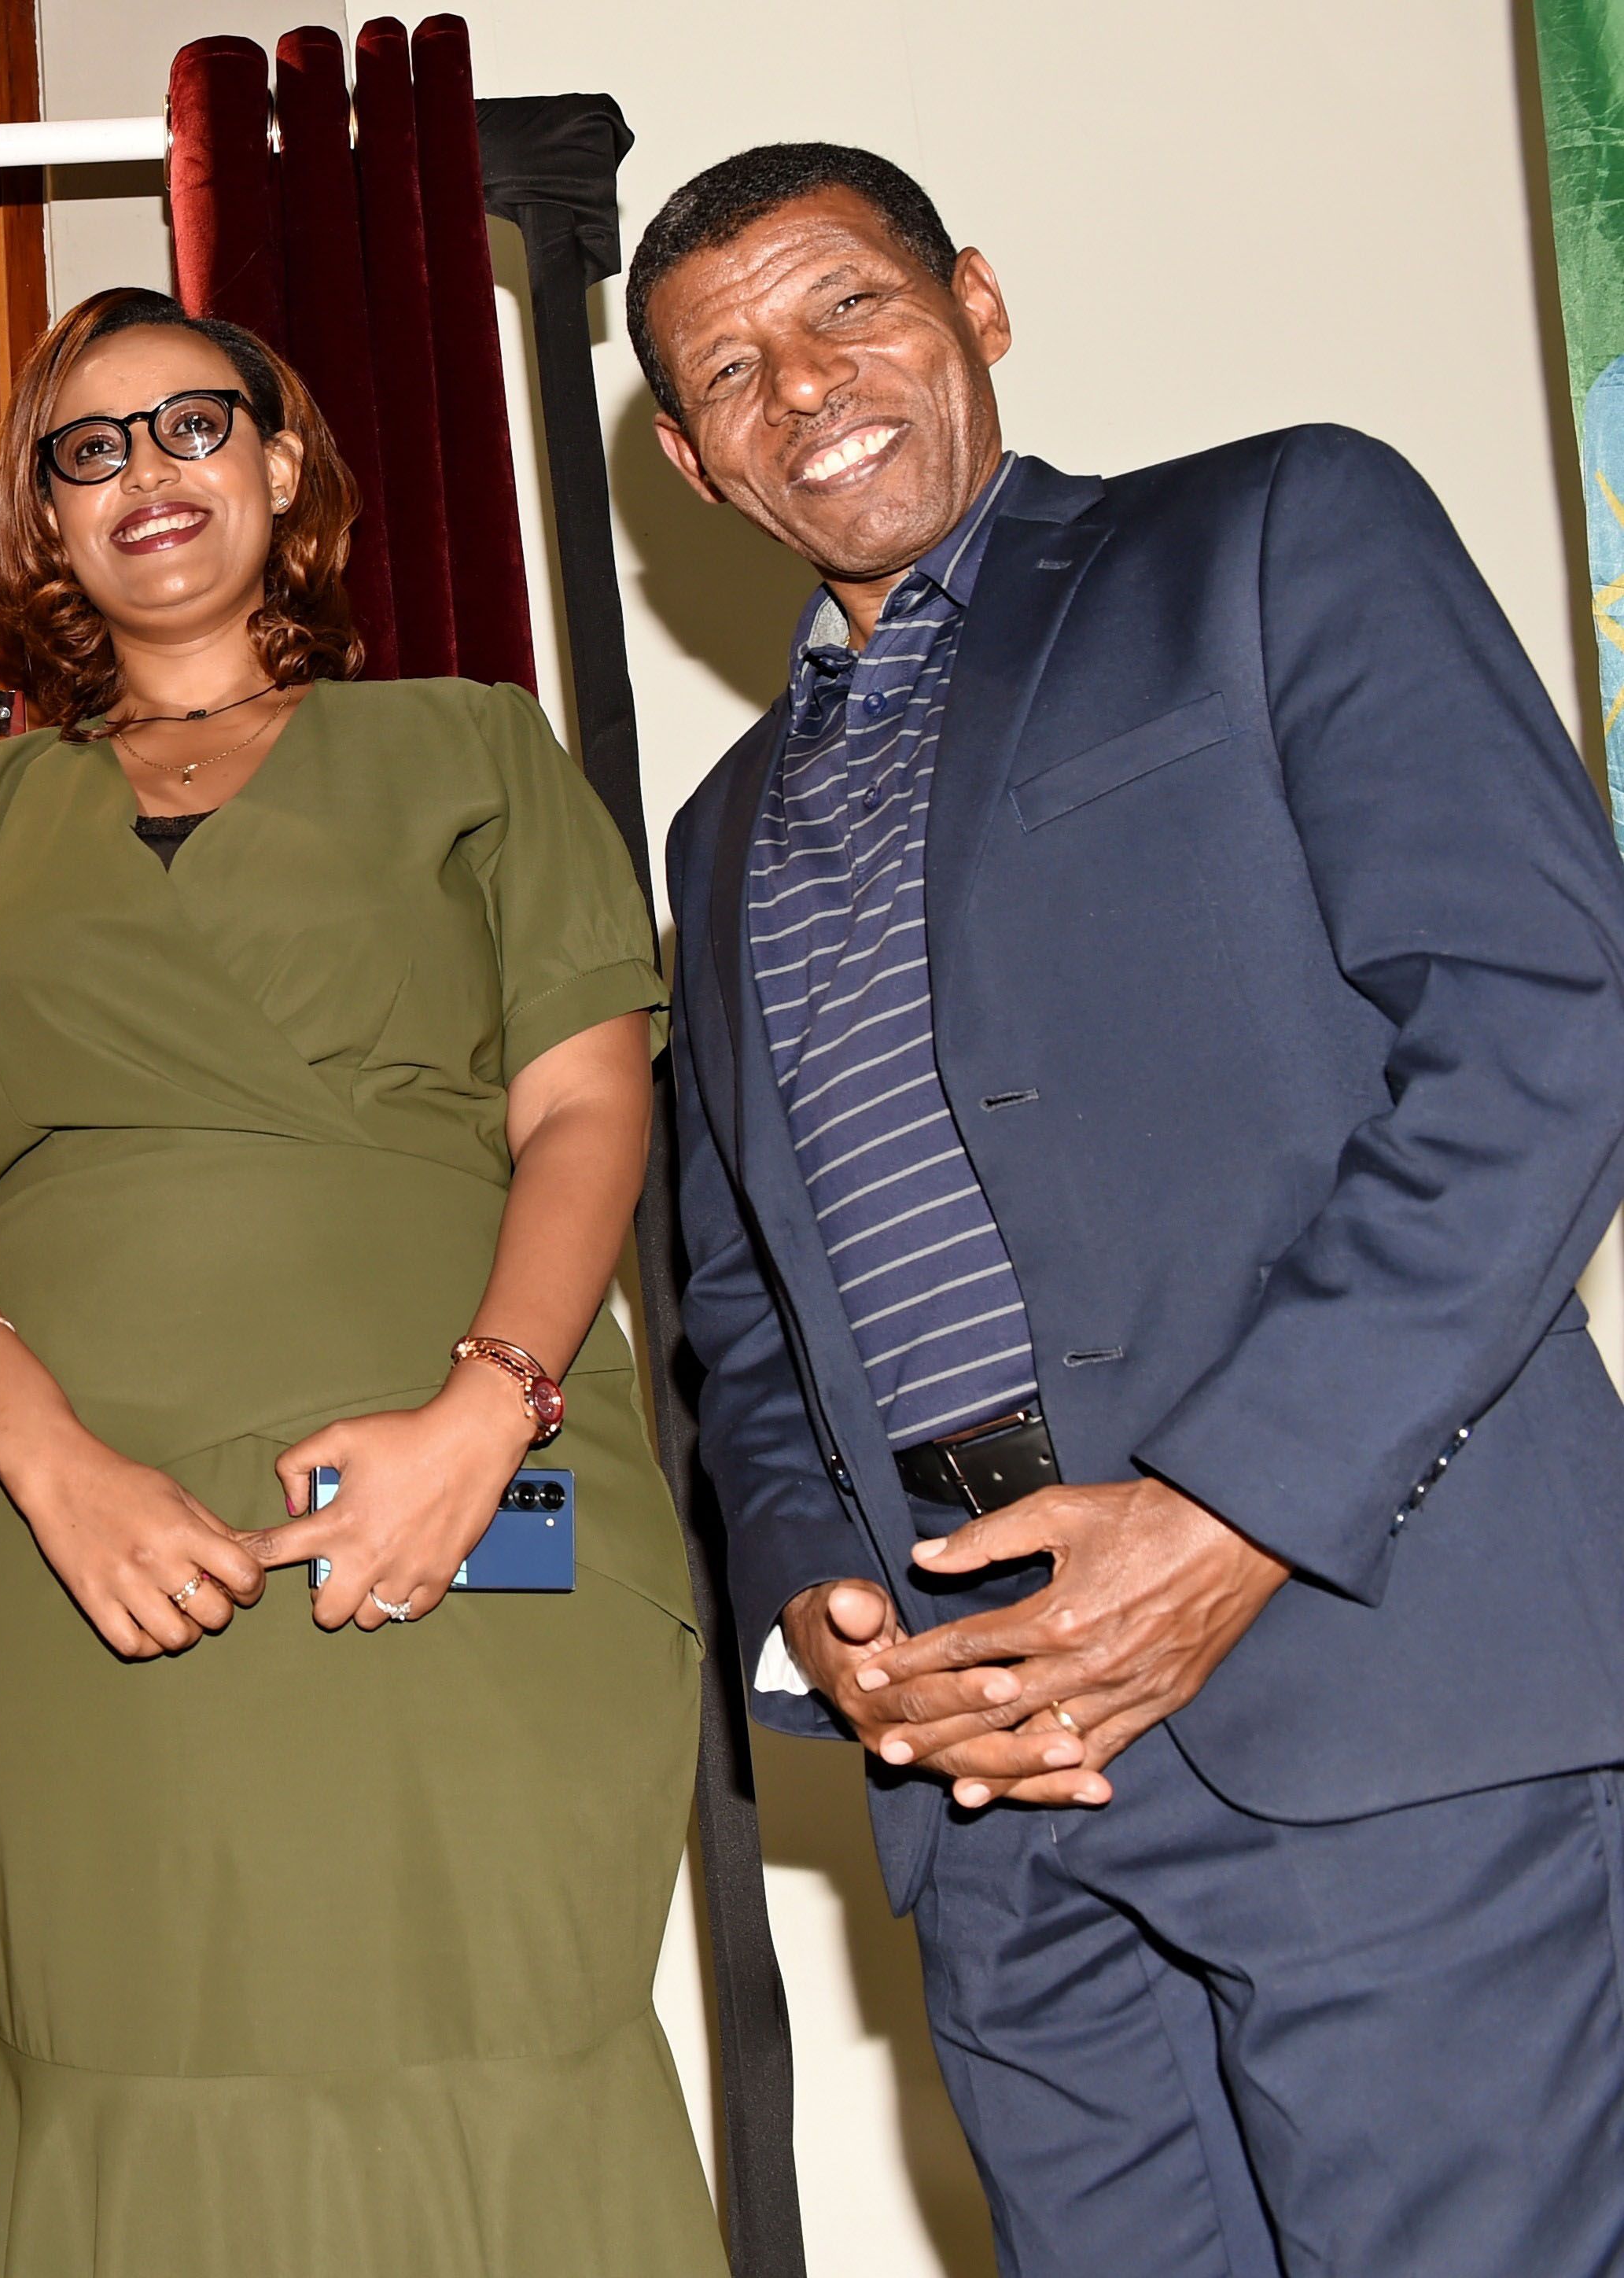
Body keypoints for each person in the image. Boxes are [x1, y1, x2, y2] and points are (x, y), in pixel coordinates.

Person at [638, 142, 1624, 2276]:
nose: (802, 386)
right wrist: (829, 1608)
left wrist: (1228, 1514)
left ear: (976, 302)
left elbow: (1543, 1022)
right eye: (727, 372)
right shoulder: (715, 836)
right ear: (691, 463)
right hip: (992, 1785)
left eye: (848, 306)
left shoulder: (1271, 533)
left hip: (1372, 1686)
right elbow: (742, 1296)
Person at [0, 285, 723, 2277]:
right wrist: (52, 1467)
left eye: (191, 423)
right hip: (59, 1532)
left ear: (282, 463)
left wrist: (483, 1414)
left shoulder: (474, 745)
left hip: (469, 1480)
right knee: (132, 2062)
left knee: (501, 2038)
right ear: (45, 523)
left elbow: (587, 1108)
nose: (143, 470)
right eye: (87, 448)